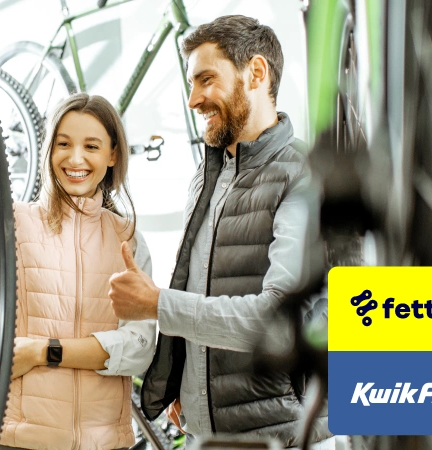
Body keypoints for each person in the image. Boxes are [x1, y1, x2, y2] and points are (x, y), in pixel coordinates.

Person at [107, 15, 333, 448]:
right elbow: (205, 283)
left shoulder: (302, 175)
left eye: (206, 79)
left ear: (256, 73)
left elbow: (279, 319)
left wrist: (156, 304)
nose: (193, 99)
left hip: (280, 435)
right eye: (191, 84)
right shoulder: (208, 173)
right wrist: (187, 382)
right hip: (207, 433)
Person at [0, 93, 156, 449]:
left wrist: (44, 351)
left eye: (92, 146)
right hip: (19, 440)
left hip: (107, 443)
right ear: (49, 151)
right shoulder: (14, 221)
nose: (76, 158)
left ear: (113, 155)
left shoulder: (128, 238)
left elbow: (139, 348)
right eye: (63, 144)